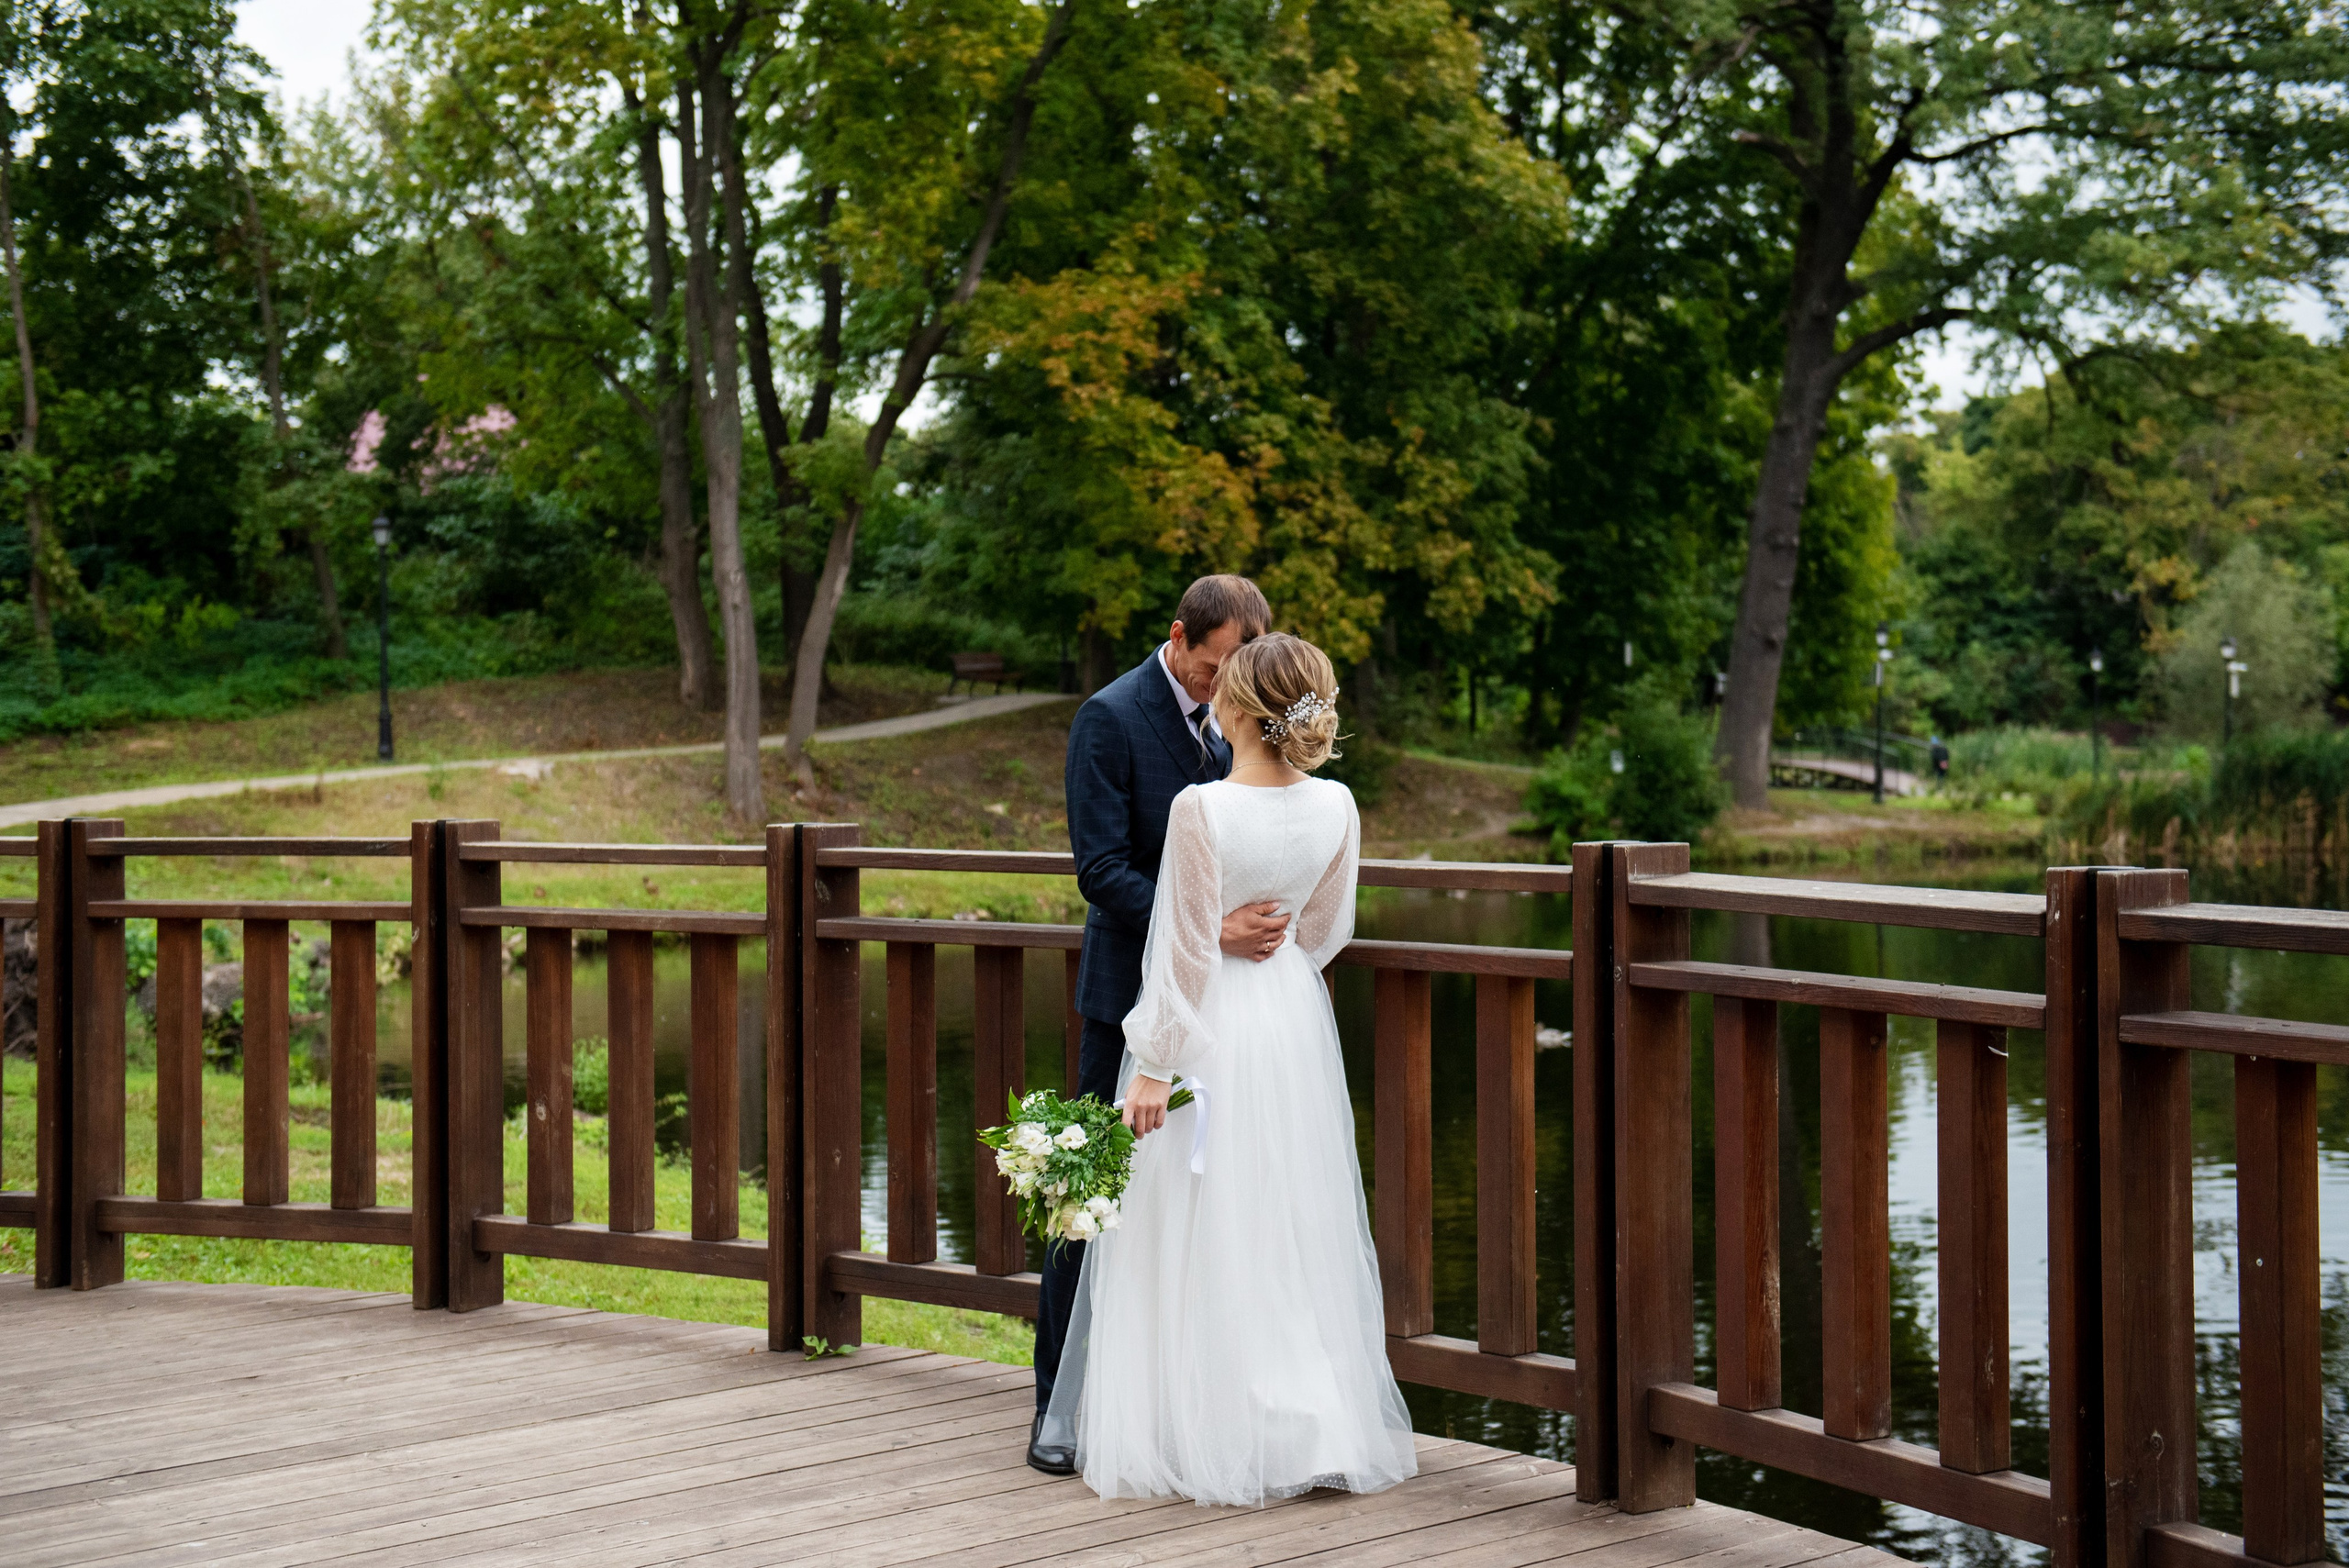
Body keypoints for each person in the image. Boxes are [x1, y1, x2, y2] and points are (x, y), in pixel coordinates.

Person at [1038, 631, 1419, 1506]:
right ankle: (1306, 1425)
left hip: (1209, 1019)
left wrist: (1151, 1066)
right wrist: (1276, 966)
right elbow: (1328, 928)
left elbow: (1178, 946)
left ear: (1237, 711)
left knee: (1199, 1215)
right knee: (1282, 1211)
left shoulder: (1201, 810)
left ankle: (1205, 1425)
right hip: (1287, 1014)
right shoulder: (1339, 805)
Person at [1031, 574, 1291, 1474]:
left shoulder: (1252, 718)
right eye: (1215, 667)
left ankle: (1180, 1403)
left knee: (1208, 1203)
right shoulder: (1108, 717)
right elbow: (1100, 868)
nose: (1226, 692)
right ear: (1179, 637)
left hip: (1229, 1011)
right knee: (1092, 1193)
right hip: (1124, 1000)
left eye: (1239, 674)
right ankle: (1054, 1411)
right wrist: (1207, 924)